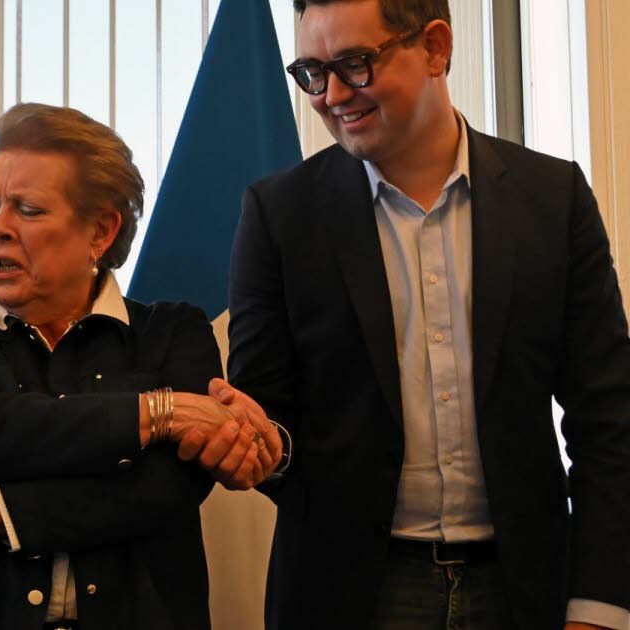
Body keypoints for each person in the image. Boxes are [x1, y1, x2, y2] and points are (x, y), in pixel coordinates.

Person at [208, 0, 630, 628]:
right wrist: (255, 443)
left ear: (435, 47)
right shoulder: (280, 215)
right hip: (349, 594)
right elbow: (271, 417)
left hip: (526, 588)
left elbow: (609, 418)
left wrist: (598, 606)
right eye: (313, 73)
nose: (331, 96)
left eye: (355, 64)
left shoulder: (552, 198)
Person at [0, 103, 284, 630]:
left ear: (100, 232)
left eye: (27, 210)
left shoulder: (174, 332)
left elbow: (163, 491)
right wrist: (158, 414)